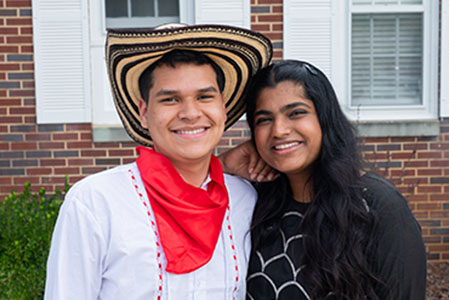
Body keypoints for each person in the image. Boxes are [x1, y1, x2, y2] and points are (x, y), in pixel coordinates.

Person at [44, 24, 272, 300]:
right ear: (143, 112)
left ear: (222, 107)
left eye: (204, 97)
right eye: (170, 99)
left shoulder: (245, 199)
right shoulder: (95, 202)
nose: (190, 113)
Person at [231, 60, 426, 300]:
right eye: (264, 119)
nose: (279, 130)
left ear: (325, 119)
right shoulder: (252, 202)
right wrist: (221, 165)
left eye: (296, 113)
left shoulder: (378, 207)